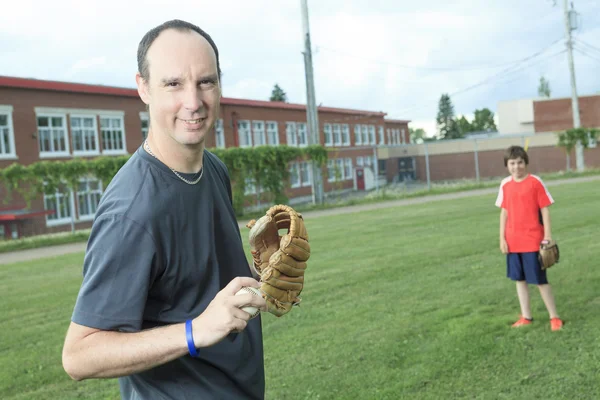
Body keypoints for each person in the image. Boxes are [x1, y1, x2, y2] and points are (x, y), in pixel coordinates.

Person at [61, 19, 268, 399]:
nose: (193, 101)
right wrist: (195, 332)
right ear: (143, 88)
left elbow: (202, 286)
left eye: (206, 81)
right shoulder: (132, 210)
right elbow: (79, 354)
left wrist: (266, 273)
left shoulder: (212, 169)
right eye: (173, 84)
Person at [495, 145, 563, 331]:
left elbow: (545, 209)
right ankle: (526, 316)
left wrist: (547, 236)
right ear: (507, 165)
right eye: (512, 163)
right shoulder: (505, 184)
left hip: (533, 240)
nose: (517, 167)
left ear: (526, 163)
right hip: (513, 240)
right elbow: (504, 212)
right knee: (520, 280)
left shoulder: (535, 182)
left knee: (540, 280)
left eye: (520, 162)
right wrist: (502, 238)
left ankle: (554, 317)